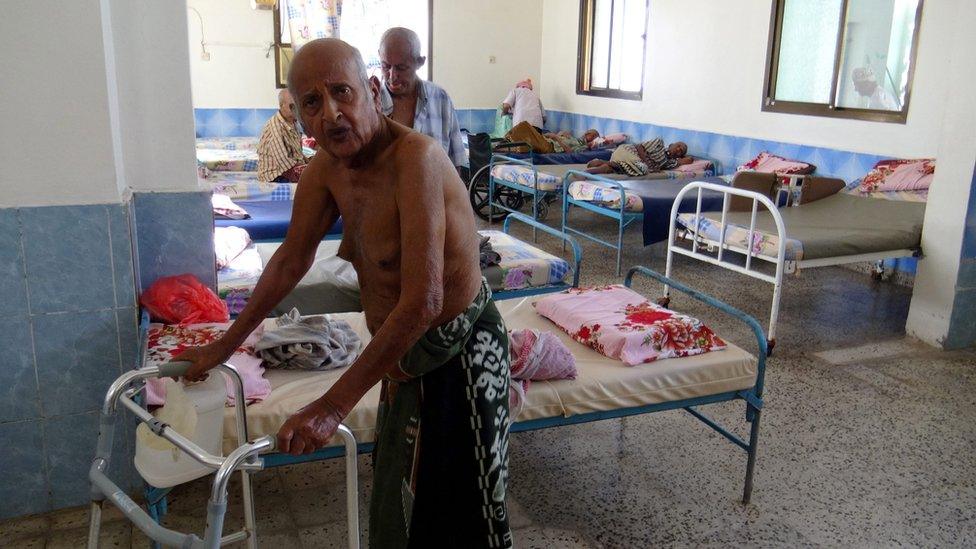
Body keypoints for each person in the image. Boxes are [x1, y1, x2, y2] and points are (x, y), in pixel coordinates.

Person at [177, 39, 512, 548]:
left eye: (342, 92)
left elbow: (423, 301)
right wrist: (224, 346)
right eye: (312, 102)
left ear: (372, 92)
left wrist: (332, 407)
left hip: (457, 351)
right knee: (406, 500)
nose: (331, 112)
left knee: (462, 512)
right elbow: (290, 260)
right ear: (301, 118)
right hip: (402, 355)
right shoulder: (325, 172)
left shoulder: (415, 160)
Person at [377, 27, 466, 170]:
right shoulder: (370, 103)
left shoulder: (440, 99)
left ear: (420, 62)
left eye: (401, 68)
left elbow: (455, 163)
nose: (392, 76)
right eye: (385, 66)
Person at [257, 89, 309, 182]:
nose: (296, 109)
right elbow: (285, 165)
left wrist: (309, 164)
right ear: (282, 106)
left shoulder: (293, 122)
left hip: (290, 168)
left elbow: (297, 153)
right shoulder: (275, 128)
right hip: (276, 175)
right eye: (292, 106)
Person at [585, 139, 692, 176]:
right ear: (671, 144)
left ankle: (597, 167)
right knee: (643, 168)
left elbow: (689, 159)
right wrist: (645, 162)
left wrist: (683, 157)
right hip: (628, 151)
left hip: (626, 162)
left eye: (681, 151)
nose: (678, 149)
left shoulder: (670, 162)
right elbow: (639, 147)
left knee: (617, 169)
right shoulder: (659, 143)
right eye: (678, 146)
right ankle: (603, 164)